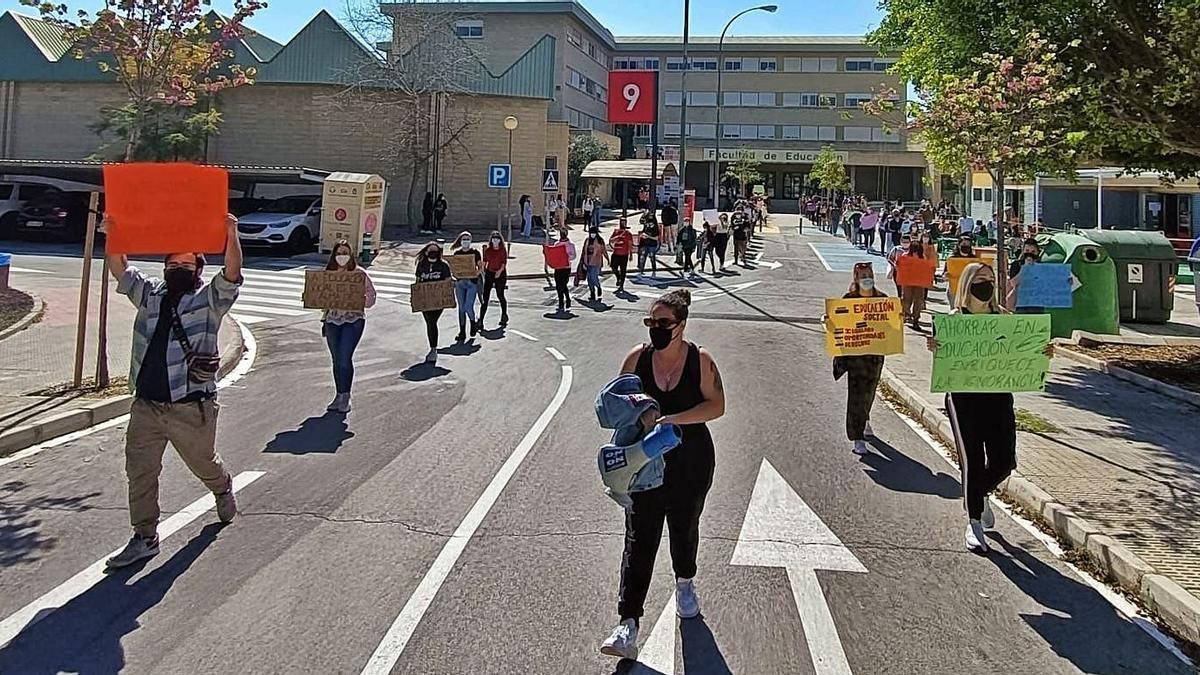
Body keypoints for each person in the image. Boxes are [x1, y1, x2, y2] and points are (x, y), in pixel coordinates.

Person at [101, 212, 243, 569]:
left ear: (198, 269)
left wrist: (230, 233)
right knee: (140, 471)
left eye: (187, 263)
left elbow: (231, 276)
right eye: (173, 262)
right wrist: (114, 233)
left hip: (190, 407)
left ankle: (222, 486)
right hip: (147, 405)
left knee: (203, 464)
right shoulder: (150, 295)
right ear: (164, 267)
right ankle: (144, 536)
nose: (179, 268)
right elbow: (120, 268)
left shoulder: (209, 301)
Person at [600, 289, 726, 660]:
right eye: (651, 322)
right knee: (639, 537)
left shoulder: (699, 360)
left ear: (681, 325)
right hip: (643, 460)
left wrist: (672, 419)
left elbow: (716, 406)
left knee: (684, 527)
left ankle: (685, 582)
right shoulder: (637, 359)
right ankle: (627, 623)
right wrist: (638, 416)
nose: (656, 329)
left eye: (663, 323)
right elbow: (614, 406)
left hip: (691, 458)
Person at [927, 263, 1052, 553]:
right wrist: (936, 345)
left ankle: (979, 495)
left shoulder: (1005, 319)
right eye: (980, 279)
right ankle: (973, 522)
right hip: (964, 398)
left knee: (1004, 461)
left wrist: (1042, 351)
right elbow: (944, 351)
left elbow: (1026, 348)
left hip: (998, 397)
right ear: (968, 283)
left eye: (990, 279)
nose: (986, 284)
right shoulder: (954, 320)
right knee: (971, 459)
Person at [828, 262, 887, 455]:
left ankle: (865, 418)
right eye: (862, 275)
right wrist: (828, 321)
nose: (866, 278)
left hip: (875, 356)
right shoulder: (849, 299)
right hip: (855, 357)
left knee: (869, 392)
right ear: (856, 278)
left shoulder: (882, 299)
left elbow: (891, 325)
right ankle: (857, 437)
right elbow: (838, 321)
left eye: (869, 274)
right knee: (856, 396)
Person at [321, 240, 377, 413]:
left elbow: (371, 295)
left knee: (345, 358)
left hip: (353, 320)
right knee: (336, 359)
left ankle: (346, 396)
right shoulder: (328, 274)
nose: (342, 256)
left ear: (351, 255)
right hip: (332, 320)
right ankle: (339, 394)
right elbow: (320, 293)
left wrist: (362, 300)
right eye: (339, 253)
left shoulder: (359, 274)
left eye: (345, 252)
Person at [415, 242, 452, 364]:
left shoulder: (443, 266)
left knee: (432, 321)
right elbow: (418, 281)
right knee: (429, 322)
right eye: (431, 250)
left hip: (438, 301)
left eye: (435, 250)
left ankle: (433, 349)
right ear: (426, 252)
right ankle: (433, 348)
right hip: (425, 300)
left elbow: (447, 280)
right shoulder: (422, 265)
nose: (433, 252)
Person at [450, 232, 482, 342]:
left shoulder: (475, 253)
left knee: (468, 306)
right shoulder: (457, 253)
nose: (466, 241)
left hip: (471, 283)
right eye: (464, 239)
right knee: (461, 308)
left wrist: (476, 274)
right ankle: (462, 331)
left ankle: (473, 322)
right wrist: (454, 275)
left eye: (468, 239)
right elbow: (453, 268)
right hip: (460, 283)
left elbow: (480, 267)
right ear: (460, 240)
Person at [479, 231, 509, 329]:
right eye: (493, 239)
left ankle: (504, 315)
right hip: (490, 273)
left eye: (497, 238)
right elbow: (485, 261)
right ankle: (481, 320)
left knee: (500, 294)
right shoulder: (488, 250)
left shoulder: (502, 250)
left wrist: (499, 272)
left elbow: (504, 262)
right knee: (485, 297)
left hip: (500, 273)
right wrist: (482, 271)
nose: (495, 240)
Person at [898, 239, 928, 330]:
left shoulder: (923, 257)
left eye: (917, 247)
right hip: (907, 282)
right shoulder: (905, 255)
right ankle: (906, 314)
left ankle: (916, 320)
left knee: (918, 301)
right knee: (906, 300)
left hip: (919, 282)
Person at [546, 227, 576, 311]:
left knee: (563, 285)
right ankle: (561, 302)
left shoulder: (570, 245)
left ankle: (566, 299)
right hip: (558, 267)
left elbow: (573, 256)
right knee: (559, 286)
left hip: (566, 267)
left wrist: (566, 256)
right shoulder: (557, 244)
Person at [582, 225, 610, 302]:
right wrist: (583, 262)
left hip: (596, 262)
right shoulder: (587, 240)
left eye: (594, 233)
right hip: (588, 262)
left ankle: (598, 287)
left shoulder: (600, 241)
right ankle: (592, 293)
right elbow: (584, 251)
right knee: (589, 279)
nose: (592, 234)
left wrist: (607, 259)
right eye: (591, 232)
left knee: (594, 277)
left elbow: (604, 251)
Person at [609, 217, 633, 292]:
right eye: (621, 222)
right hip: (616, 253)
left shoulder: (628, 233)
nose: (623, 223)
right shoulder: (616, 231)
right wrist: (617, 237)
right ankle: (618, 277)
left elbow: (630, 244)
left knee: (623, 270)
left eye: (624, 222)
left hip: (624, 254)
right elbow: (611, 240)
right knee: (613, 267)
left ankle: (621, 285)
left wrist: (630, 254)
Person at [637, 212, 661, 279]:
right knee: (643, 257)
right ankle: (641, 271)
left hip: (652, 245)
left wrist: (648, 237)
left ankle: (654, 271)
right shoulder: (646, 226)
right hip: (645, 243)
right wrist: (642, 236)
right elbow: (641, 221)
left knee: (652, 257)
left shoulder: (656, 227)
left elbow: (656, 238)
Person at [886, 233, 911, 298]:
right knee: (899, 286)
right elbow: (889, 258)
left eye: (907, 242)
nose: (905, 243)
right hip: (897, 271)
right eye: (903, 242)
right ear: (900, 242)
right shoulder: (896, 249)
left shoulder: (912, 250)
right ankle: (899, 298)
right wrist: (894, 265)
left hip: (908, 271)